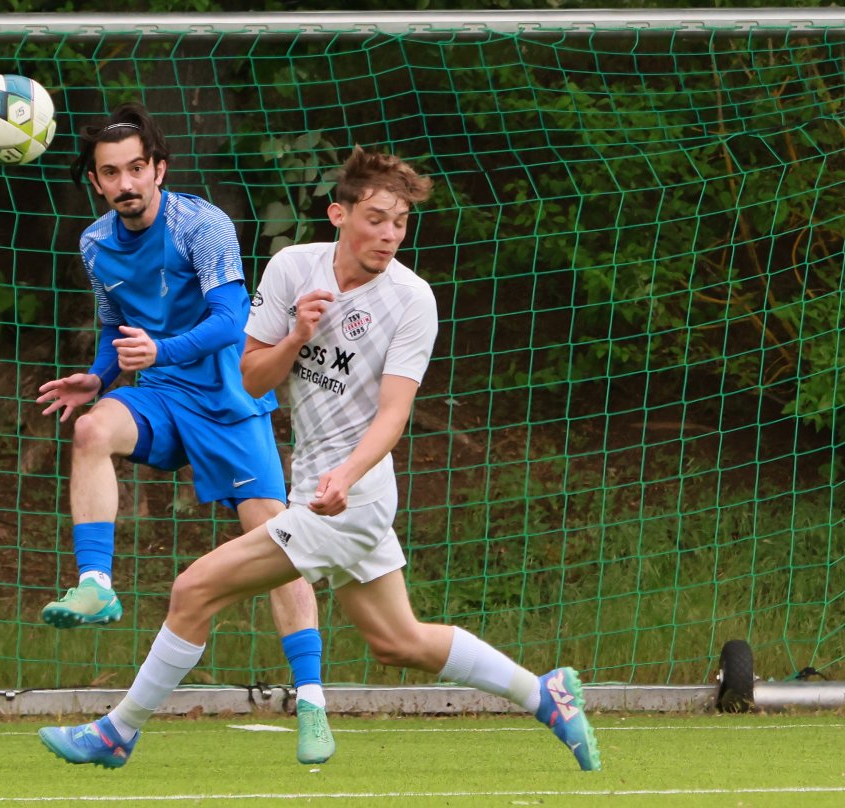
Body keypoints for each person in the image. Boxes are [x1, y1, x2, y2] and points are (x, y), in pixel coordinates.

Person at [37, 145, 602, 772]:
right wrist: (298, 335)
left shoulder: (413, 300)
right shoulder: (291, 268)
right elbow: (252, 379)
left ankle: (119, 731)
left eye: (401, 221)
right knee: (398, 640)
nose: (389, 234)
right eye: (377, 217)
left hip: (354, 495)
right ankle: (543, 693)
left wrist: (348, 474)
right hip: (316, 483)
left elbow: (393, 415)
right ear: (338, 213)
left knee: (193, 589)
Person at [35, 102, 334, 765]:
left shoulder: (202, 223)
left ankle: (312, 701)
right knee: (90, 430)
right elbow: (118, 327)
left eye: (137, 168)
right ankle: (96, 586)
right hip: (162, 398)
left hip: (229, 404)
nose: (126, 184)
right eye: (111, 173)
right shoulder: (95, 244)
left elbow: (231, 320)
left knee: (278, 546)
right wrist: (97, 374)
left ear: (158, 169)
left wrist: (158, 354)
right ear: (96, 182)